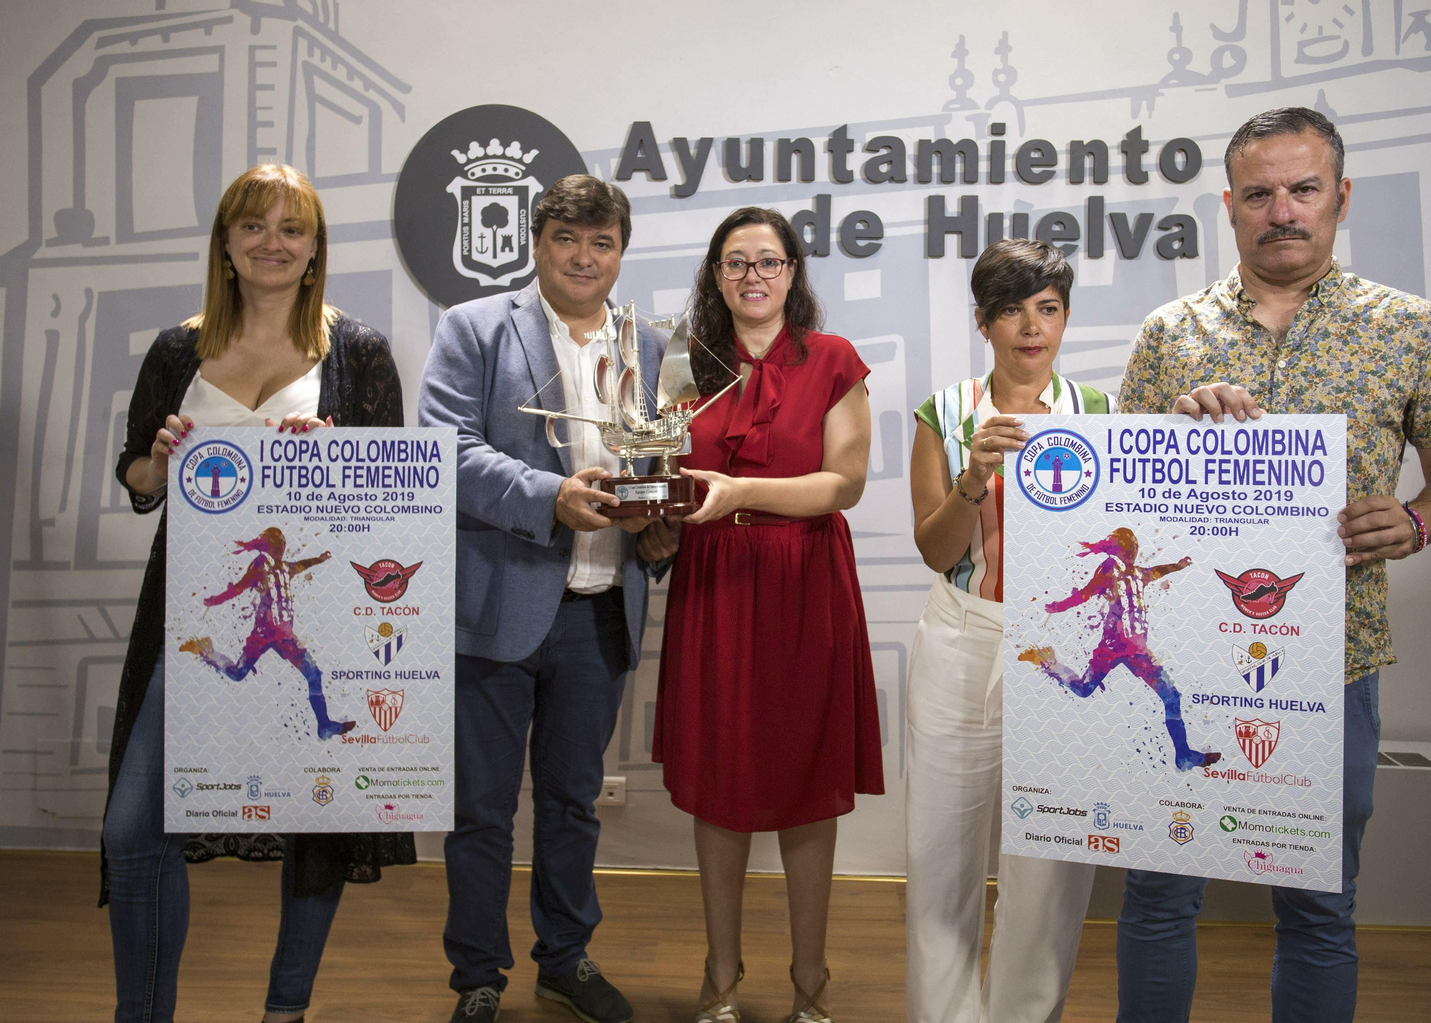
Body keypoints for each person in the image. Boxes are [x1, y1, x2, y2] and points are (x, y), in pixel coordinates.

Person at [1115, 107, 1431, 1022]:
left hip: (1332, 661)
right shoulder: (1171, 333)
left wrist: (1414, 521)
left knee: (1320, 906)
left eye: (1303, 188)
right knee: (1160, 895)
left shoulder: (1409, 327)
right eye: (1259, 193)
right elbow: (1118, 505)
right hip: (1188, 663)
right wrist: (1169, 438)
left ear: (1340, 198)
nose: (1282, 210)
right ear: (1231, 208)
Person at [104, 163, 412, 1023]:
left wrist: (338, 451)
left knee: (315, 816)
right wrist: (157, 461)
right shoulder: (179, 348)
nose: (272, 244)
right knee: (134, 830)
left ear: (315, 250)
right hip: (190, 611)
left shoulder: (356, 351)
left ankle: (286, 1009)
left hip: (317, 616)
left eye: (292, 229)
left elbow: (391, 500)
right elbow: (134, 476)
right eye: (254, 226)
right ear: (226, 242)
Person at [418, 174, 661, 1023]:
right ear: (537, 243)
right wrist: (546, 495)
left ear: (621, 253)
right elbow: (443, 449)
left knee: (571, 801)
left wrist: (661, 521)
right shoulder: (475, 327)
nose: (584, 257)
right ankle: (478, 974)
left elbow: (653, 460)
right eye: (568, 239)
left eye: (602, 242)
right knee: (480, 808)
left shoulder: (646, 342)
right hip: (496, 606)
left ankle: (565, 956)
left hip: (601, 606)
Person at [645, 206, 882, 1023]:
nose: (753, 276)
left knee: (808, 782)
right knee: (722, 780)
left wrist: (742, 492)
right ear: (716, 274)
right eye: (736, 262)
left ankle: (810, 982)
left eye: (769, 261)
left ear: (793, 272)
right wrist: (649, 511)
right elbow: (664, 477)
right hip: (715, 584)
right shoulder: (685, 363)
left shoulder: (834, 359)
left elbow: (843, 483)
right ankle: (720, 976)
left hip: (805, 579)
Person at [904, 238, 1110, 1023]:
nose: (1033, 326)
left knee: (1050, 860)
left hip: (1066, 645)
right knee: (940, 851)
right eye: (1013, 309)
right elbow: (935, 549)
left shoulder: (1099, 414)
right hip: (965, 632)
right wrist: (972, 477)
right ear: (985, 322)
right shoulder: (948, 411)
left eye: (1049, 308)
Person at [1021, 526, 1221, 770]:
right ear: (1119, 550)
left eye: (1135, 547)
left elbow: (1158, 571)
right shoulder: (1108, 569)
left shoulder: (1140, 574)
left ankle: (1183, 756)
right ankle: (1049, 664)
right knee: (1084, 690)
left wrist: (1178, 565)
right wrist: (1058, 607)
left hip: (1138, 652)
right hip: (1111, 648)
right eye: (1129, 547)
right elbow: (1085, 594)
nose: (1133, 551)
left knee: (1172, 696)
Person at [180, 527, 351, 738]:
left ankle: (324, 725)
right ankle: (205, 651)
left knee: (314, 674)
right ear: (269, 546)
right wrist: (216, 600)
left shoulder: (285, 568)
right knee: (238, 673)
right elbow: (240, 587)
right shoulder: (261, 563)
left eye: (282, 547)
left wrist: (319, 559)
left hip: (285, 637)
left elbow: (302, 565)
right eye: (277, 546)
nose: (280, 550)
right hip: (263, 633)